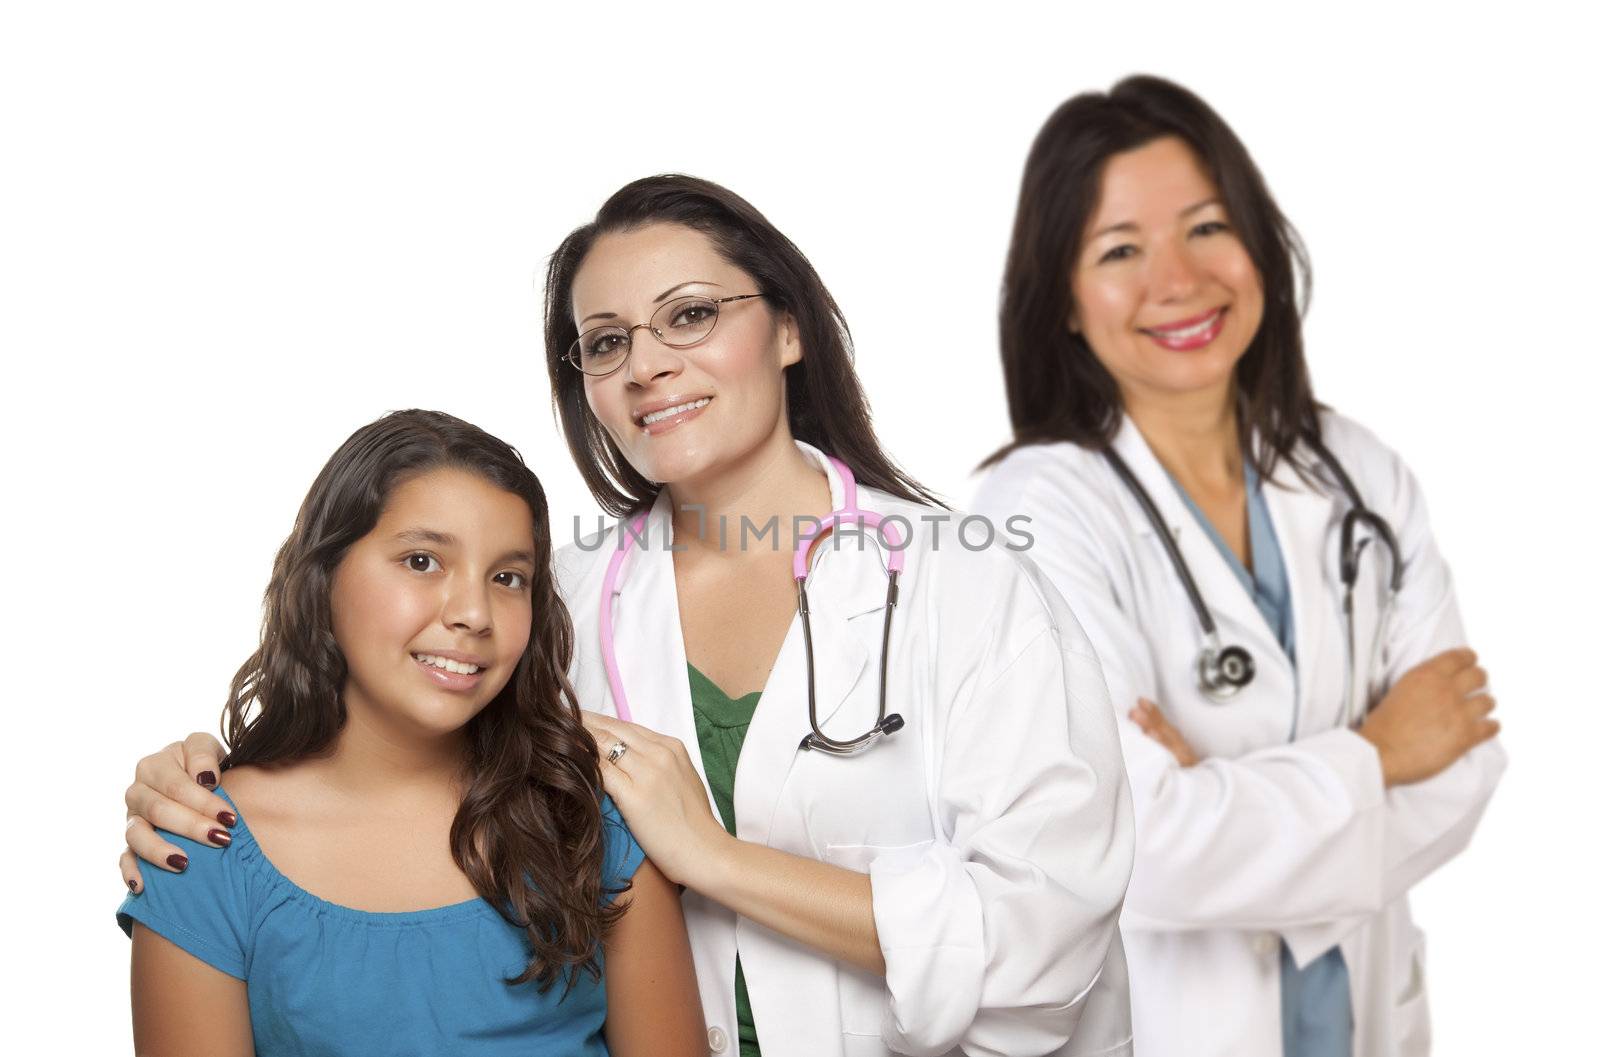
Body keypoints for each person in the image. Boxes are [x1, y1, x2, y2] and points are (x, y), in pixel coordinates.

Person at [116, 177, 1137, 1057]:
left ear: (788, 329)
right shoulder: (539, 601)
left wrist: (715, 858)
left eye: (690, 315)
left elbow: (1048, 928)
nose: (646, 364)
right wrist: (199, 773)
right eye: (606, 342)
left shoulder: (964, 587)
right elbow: (371, 753)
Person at [971, 76, 1507, 1057]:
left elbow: (1465, 765)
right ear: (1061, 302)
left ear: (1259, 241)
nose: (1177, 280)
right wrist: (1377, 755)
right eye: (1120, 250)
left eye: (1207, 227)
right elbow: (1129, 848)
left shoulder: (1355, 471)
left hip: (1362, 1022)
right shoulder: (1032, 514)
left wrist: (1222, 805)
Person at [116, 410, 704, 1057]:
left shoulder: (591, 819)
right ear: (325, 576)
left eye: (508, 577)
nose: (474, 613)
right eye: (422, 561)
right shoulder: (205, 845)